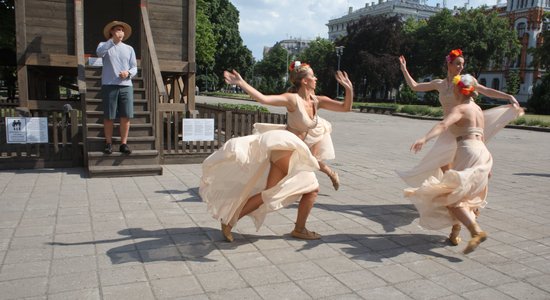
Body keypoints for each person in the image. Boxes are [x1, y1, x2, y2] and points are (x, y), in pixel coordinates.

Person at [199, 62, 353, 242]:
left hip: (291, 152)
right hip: (285, 149)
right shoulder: (292, 99)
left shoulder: (317, 101)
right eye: (313, 76)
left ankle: (229, 221)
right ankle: (300, 229)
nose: (316, 79)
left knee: (268, 193)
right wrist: (241, 83)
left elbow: (345, 107)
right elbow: (264, 99)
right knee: (312, 187)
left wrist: (348, 89)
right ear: (304, 81)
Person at [398, 49, 520, 245]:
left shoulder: (467, 82)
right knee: (448, 174)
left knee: (459, 181)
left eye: (462, 64)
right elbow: (414, 86)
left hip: (466, 130)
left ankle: (458, 225)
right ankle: (460, 218)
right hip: (448, 133)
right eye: (457, 64)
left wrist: (507, 96)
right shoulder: (439, 83)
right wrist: (404, 69)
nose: (461, 67)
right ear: (449, 64)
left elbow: (486, 91)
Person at [96, 21, 137, 155]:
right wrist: (112, 41)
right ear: (112, 32)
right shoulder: (104, 45)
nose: (121, 32)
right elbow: (99, 53)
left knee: (126, 115)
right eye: (118, 29)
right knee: (109, 116)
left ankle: (123, 143)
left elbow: (134, 67)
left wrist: (128, 73)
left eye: (122, 30)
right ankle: (108, 143)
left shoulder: (129, 48)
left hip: (126, 85)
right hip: (109, 85)